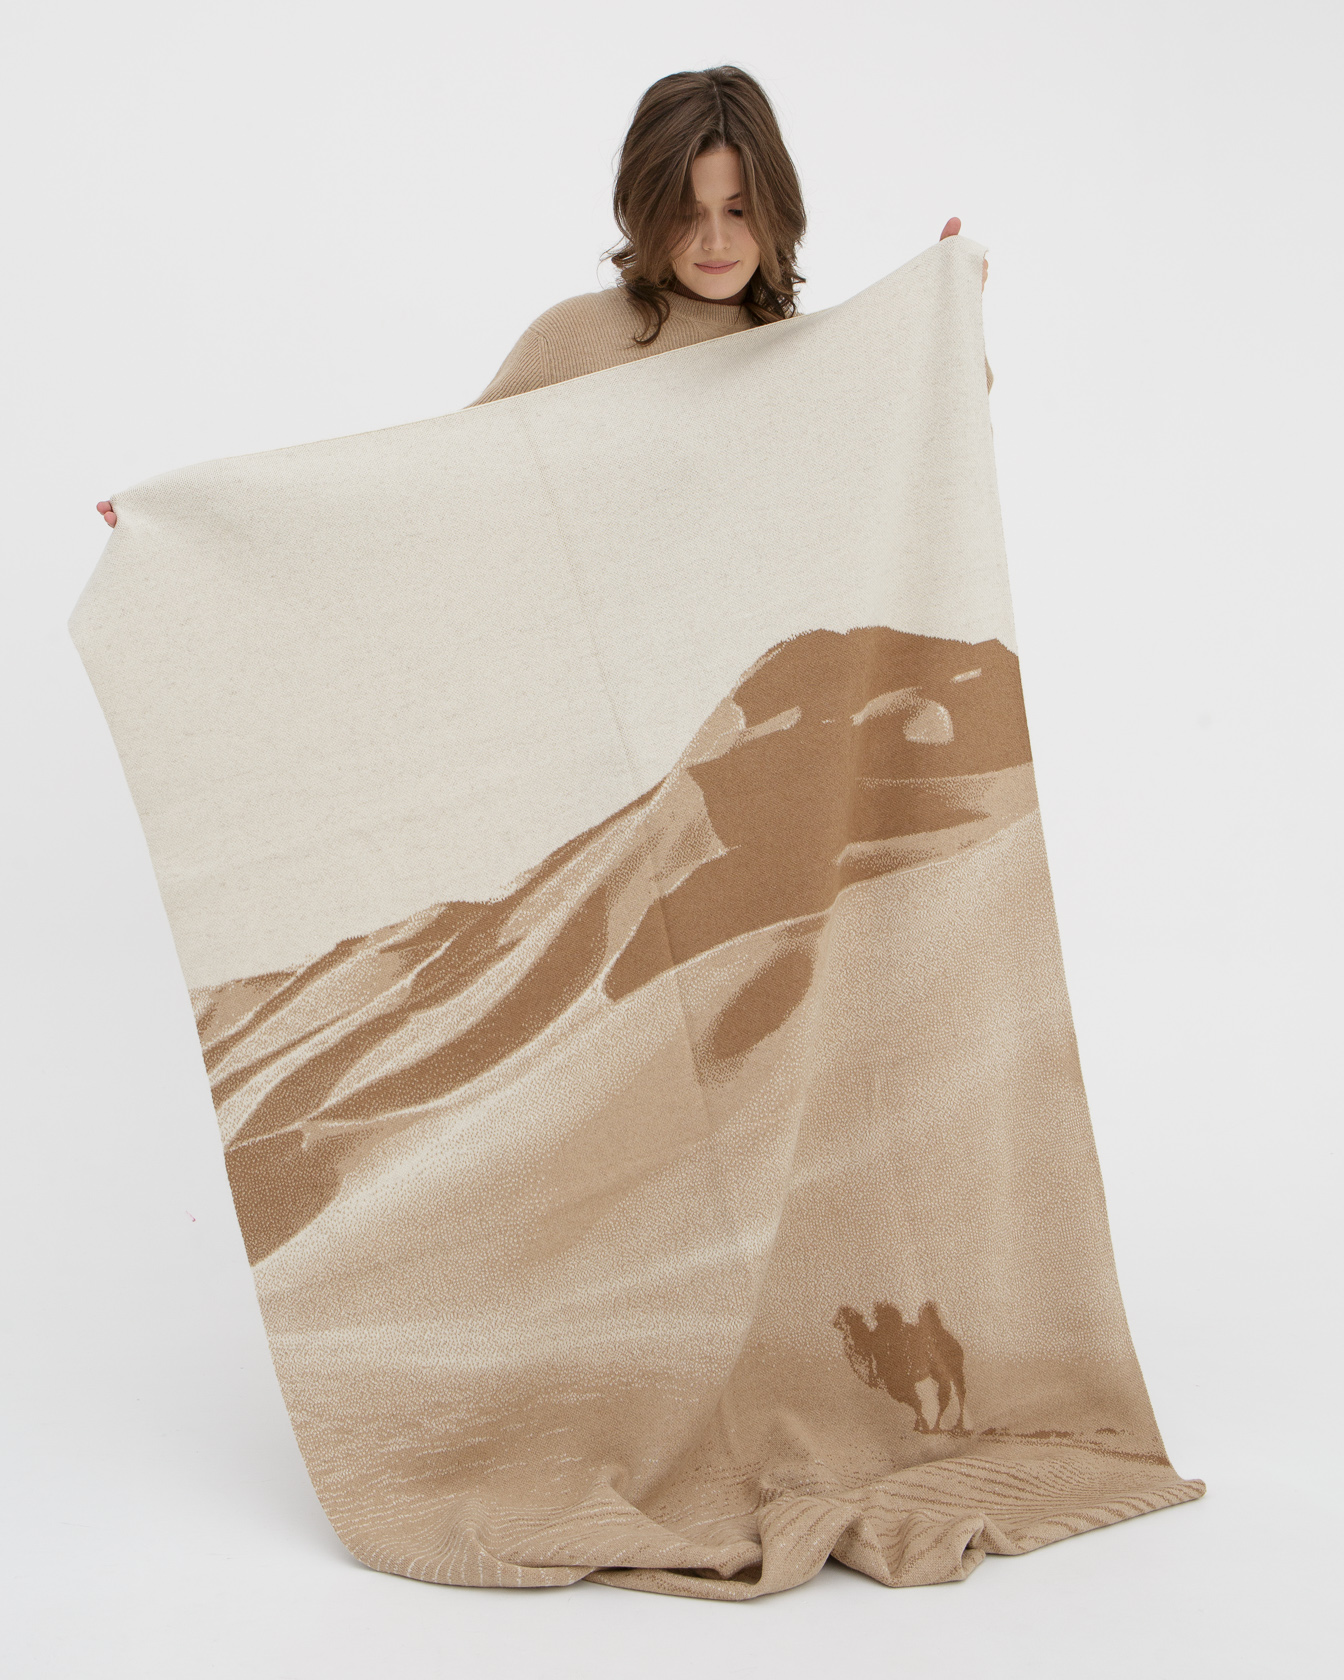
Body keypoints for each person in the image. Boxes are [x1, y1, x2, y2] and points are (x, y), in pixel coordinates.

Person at [94, 66, 986, 528]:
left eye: (738, 210)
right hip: (612, 710)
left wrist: (950, 321)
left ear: (775, 208)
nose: (716, 241)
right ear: (645, 211)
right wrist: (201, 521)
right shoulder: (580, 339)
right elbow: (429, 486)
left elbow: (925, 444)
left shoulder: (804, 357)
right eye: (687, 213)